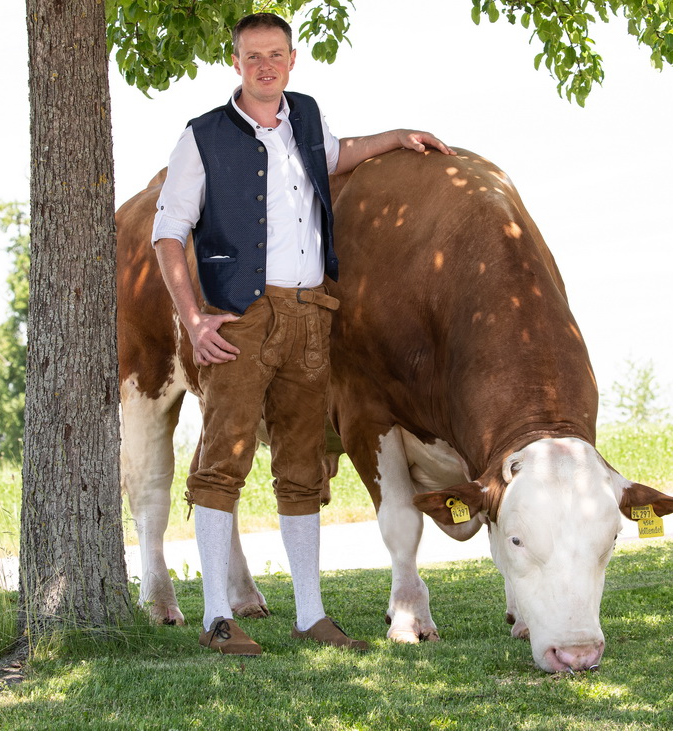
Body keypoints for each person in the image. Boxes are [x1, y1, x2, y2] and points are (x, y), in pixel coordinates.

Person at [151, 12, 455, 656]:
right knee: (221, 462)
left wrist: (398, 136)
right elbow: (168, 233)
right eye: (252, 55)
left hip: (312, 315)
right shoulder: (201, 137)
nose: (265, 65)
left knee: (301, 464)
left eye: (275, 54)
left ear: (292, 59)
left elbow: (338, 156)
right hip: (239, 317)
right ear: (235, 63)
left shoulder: (307, 115)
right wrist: (193, 318)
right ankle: (215, 617)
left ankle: (310, 614)